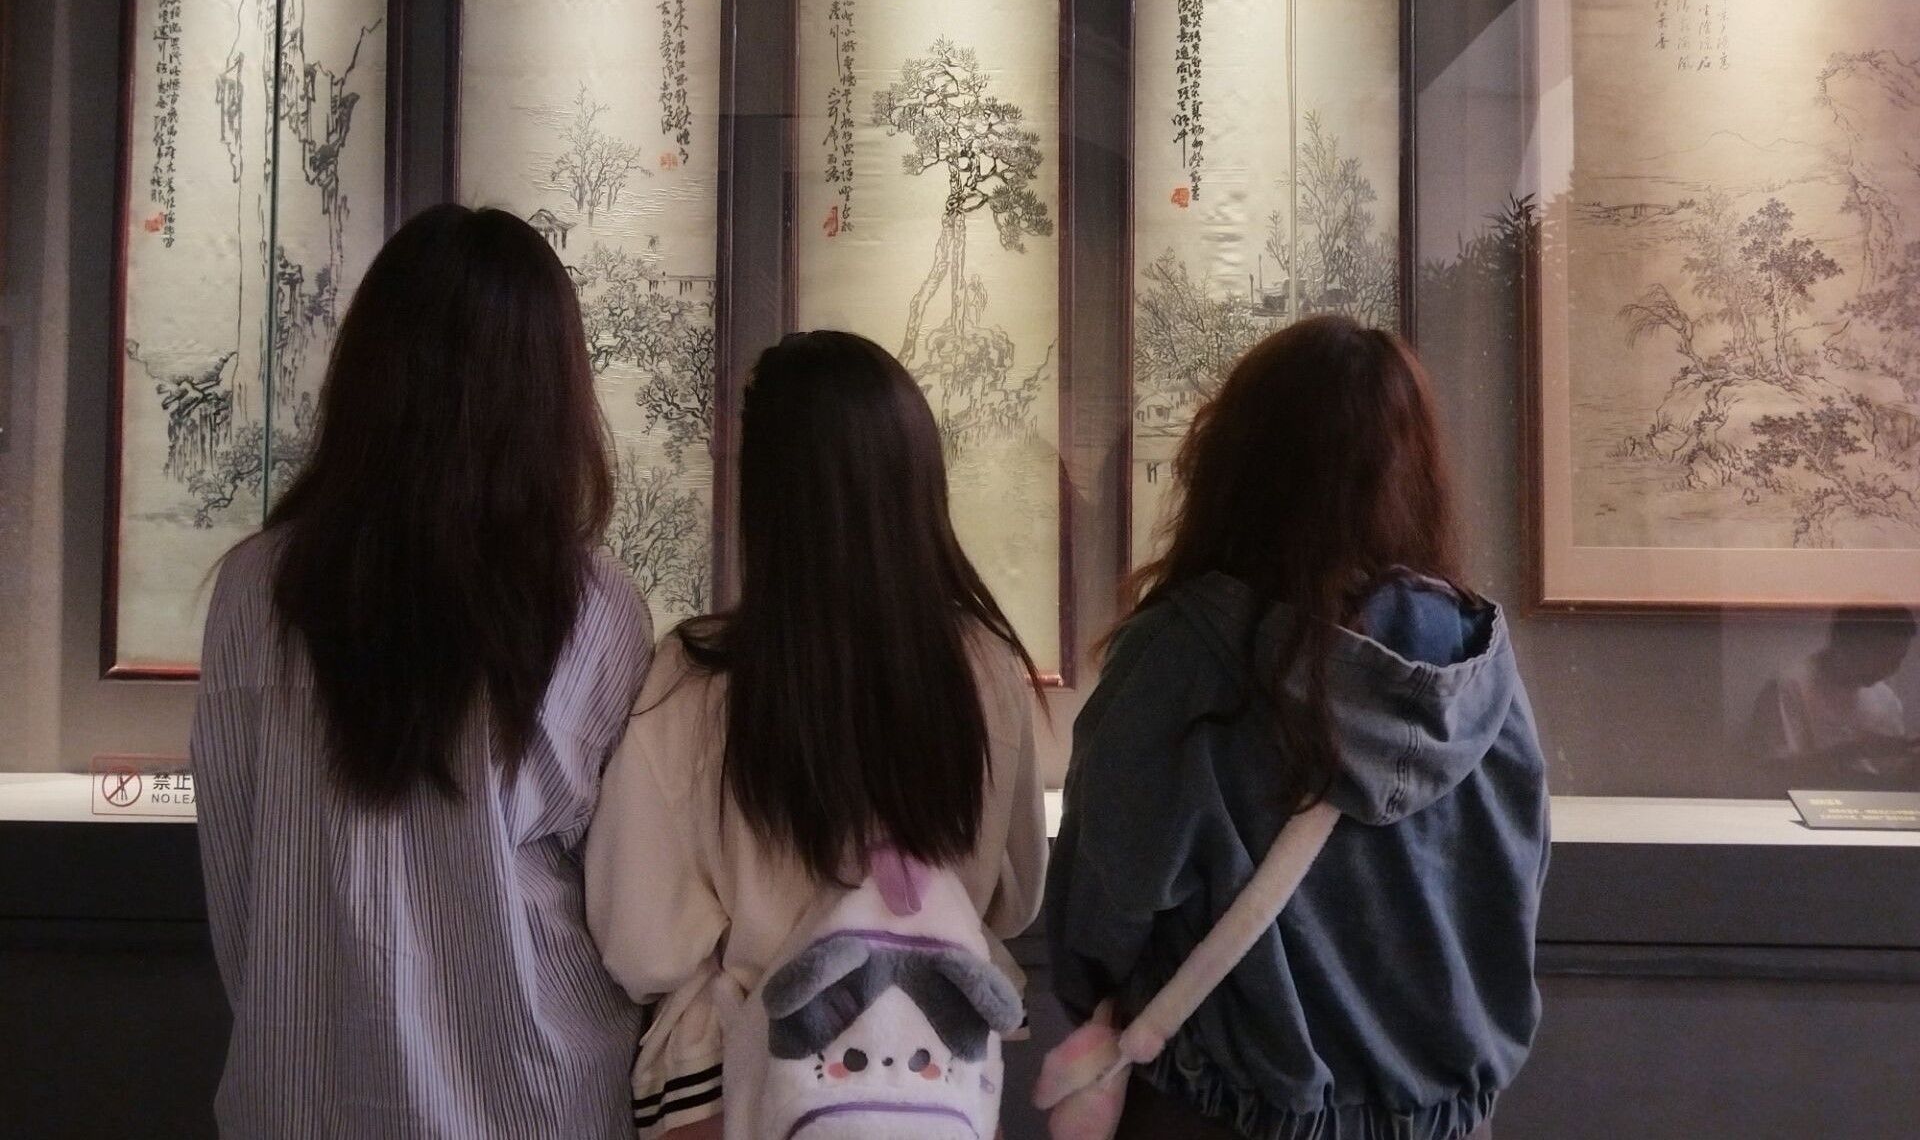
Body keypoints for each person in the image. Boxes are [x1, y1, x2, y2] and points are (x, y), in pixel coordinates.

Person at [191, 205, 652, 1138]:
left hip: (301, 1097)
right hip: (538, 1099)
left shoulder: (256, 589)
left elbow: (236, 883)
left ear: (368, 372)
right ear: (551, 390)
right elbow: (624, 913)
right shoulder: (594, 607)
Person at [1047, 316, 1549, 1139]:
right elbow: (1510, 895)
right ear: (1415, 472)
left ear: (1234, 463)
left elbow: (1104, 903)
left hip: (1224, 1112)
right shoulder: (1477, 668)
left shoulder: (1183, 653)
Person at [584, 330, 1048, 1137]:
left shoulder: (696, 677)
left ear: (765, 495)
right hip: (927, 1086)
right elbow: (1016, 899)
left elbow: (641, 944)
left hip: (741, 1084)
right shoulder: (988, 670)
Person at [1747, 609, 1920, 786]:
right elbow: (1772, 775)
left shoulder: (1886, 698)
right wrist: (1854, 750)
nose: (1891, 668)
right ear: (1845, 642)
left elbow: (1894, 777)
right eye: (1881, 654)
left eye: (1898, 659)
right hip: (1805, 800)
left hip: (1871, 800)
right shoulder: (1789, 687)